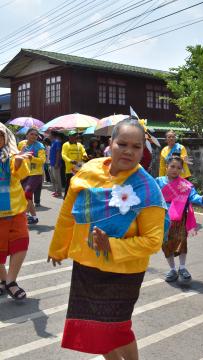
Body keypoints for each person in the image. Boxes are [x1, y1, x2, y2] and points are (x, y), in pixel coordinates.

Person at [47, 117, 166, 359]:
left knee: (119, 330)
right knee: (96, 331)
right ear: (110, 143)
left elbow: (153, 240)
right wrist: (58, 247)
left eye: (136, 147)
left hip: (123, 271)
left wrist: (111, 245)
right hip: (87, 266)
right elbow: (68, 213)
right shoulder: (89, 171)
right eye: (122, 144)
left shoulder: (147, 187)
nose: (129, 151)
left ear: (143, 150)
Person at [156, 155, 203, 283]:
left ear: (182, 170)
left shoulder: (185, 185)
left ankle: (182, 268)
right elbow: (150, 196)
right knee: (166, 244)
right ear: (166, 167)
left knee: (182, 242)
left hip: (180, 218)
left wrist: (202, 199)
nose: (175, 170)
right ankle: (172, 269)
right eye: (172, 166)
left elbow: (193, 197)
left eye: (178, 168)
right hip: (163, 218)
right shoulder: (158, 182)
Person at [0, 123, 32, 300]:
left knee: (21, 243)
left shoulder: (12, 155)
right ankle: (3, 279)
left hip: (16, 209)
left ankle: (11, 281)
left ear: (6, 137)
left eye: (0, 135)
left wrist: (19, 162)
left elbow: (21, 175)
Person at [18, 128, 46, 225]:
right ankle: (34, 218)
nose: (34, 136)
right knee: (27, 197)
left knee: (26, 194)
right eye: (32, 134)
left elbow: (42, 160)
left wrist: (31, 158)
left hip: (36, 174)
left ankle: (23, 216)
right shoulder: (21, 144)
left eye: (36, 135)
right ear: (27, 135)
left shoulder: (40, 146)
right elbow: (16, 156)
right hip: (24, 173)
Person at [61, 131, 88, 199]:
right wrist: (70, 161)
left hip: (78, 167)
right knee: (69, 183)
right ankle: (66, 197)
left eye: (76, 136)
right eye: (73, 136)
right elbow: (63, 155)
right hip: (70, 168)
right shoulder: (66, 144)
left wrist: (85, 156)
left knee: (79, 182)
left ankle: (77, 196)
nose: (75, 137)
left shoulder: (79, 145)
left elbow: (83, 152)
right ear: (69, 137)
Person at [49, 131, 63, 197]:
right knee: (53, 178)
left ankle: (59, 192)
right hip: (51, 163)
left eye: (50, 134)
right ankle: (56, 191)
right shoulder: (52, 142)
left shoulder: (57, 142)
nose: (49, 136)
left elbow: (58, 152)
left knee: (57, 178)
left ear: (52, 135)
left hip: (56, 163)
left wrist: (57, 163)